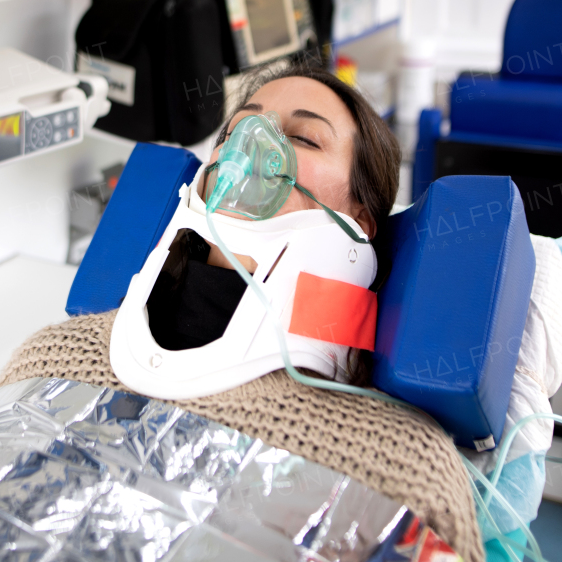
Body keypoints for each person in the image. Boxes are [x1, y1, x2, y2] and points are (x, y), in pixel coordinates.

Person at [145, 61, 401, 379]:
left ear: (359, 222)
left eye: (305, 139)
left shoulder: (366, 423)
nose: (252, 142)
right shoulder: (105, 340)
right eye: (237, 129)